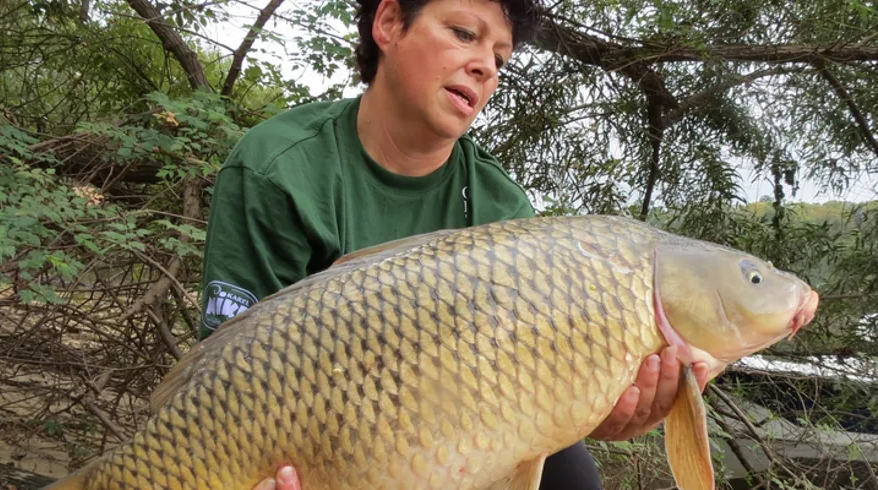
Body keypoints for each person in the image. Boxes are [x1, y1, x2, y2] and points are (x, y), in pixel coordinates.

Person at [198, 0, 710, 487]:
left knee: (571, 475)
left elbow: (533, 393)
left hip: (457, 426)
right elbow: (228, 381)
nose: (486, 66)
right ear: (390, 22)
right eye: (465, 34)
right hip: (309, 434)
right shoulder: (277, 167)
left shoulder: (501, 209)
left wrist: (600, 412)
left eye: (500, 57)